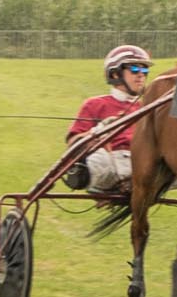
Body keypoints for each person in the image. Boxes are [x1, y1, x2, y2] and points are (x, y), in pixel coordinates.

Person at [63, 45, 152, 193]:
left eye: (145, 70)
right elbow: (73, 144)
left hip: (142, 165)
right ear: (115, 74)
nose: (141, 75)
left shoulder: (147, 108)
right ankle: (96, 182)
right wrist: (99, 130)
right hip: (110, 164)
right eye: (135, 69)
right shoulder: (94, 104)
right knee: (100, 160)